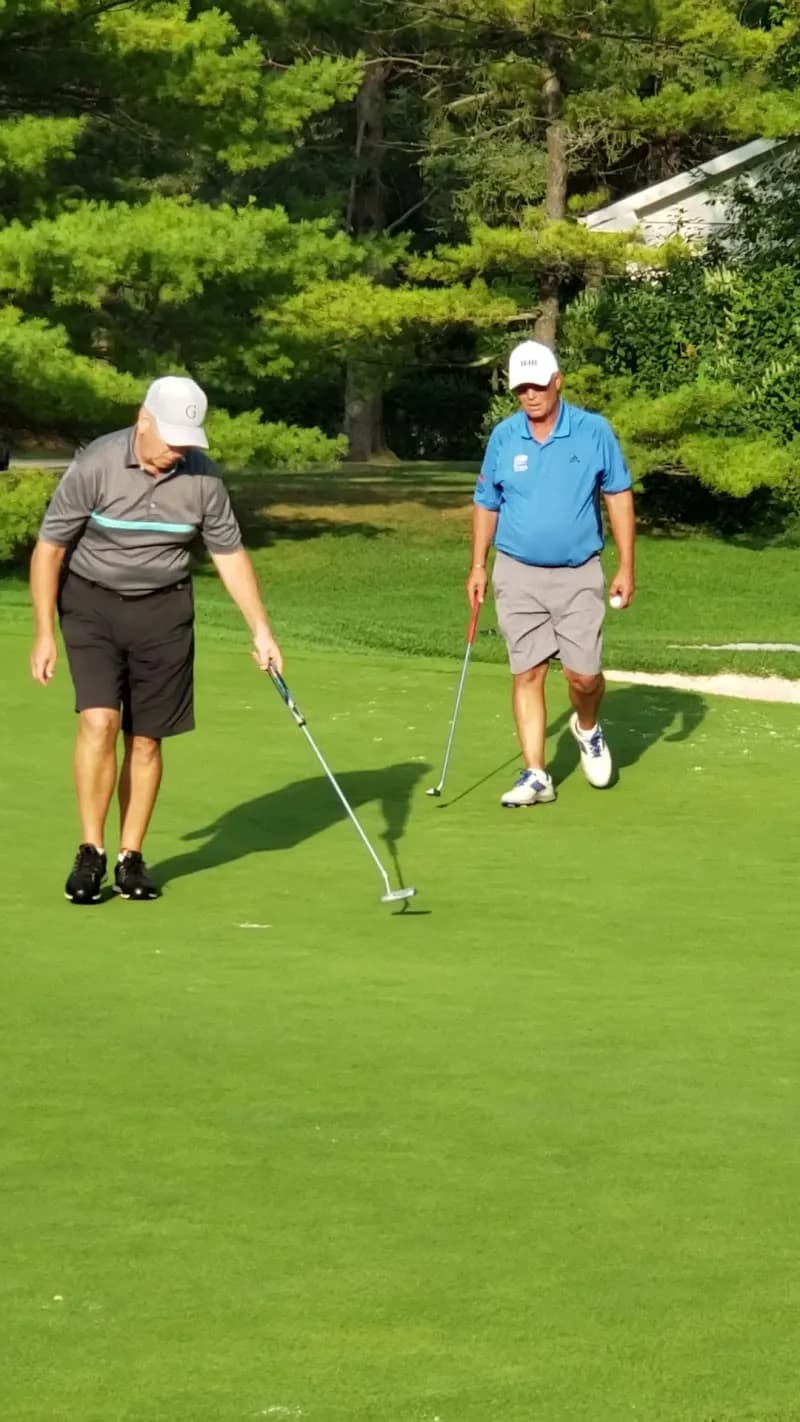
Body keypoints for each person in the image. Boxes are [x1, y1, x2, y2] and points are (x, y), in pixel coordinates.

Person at [29, 376, 283, 903]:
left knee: (146, 738)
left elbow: (230, 555)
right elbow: (50, 549)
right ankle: (91, 851)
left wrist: (261, 630)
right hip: (92, 604)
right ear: (143, 420)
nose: (178, 452)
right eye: (171, 439)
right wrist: (44, 633)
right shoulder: (97, 463)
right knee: (99, 721)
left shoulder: (203, 478)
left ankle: (131, 857)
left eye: (187, 441)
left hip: (164, 611)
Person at [468, 340, 635, 806]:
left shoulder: (593, 431)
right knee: (528, 671)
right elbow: (486, 502)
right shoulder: (504, 437)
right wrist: (478, 565)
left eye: (538, 386)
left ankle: (588, 727)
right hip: (516, 572)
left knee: (583, 677)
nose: (530, 395)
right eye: (521, 388)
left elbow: (618, 495)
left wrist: (626, 565)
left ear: (557, 382)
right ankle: (536, 774)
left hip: (578, 573)